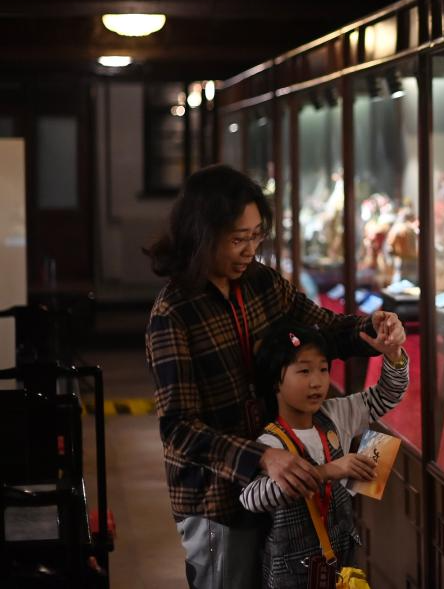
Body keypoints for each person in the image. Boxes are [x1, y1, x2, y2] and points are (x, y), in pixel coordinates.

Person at [145, 164, 406, 589]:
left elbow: (323, 328)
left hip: (283, 487)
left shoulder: (262, 283)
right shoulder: (173, 312)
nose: (249, 250)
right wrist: (262, 457)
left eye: (256, 236)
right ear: (202, 234)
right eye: (237, 239)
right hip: (217, 498)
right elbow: (179, 428)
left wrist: (372, 329)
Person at [240, 321, 408, 588]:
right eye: (304, 371)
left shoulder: (334, 414)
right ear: (275, 381)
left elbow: (387, 394)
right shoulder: (270, 443)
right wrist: (327, 471)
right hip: (291, 576)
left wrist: (393, 355)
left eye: (323, 369)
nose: (317, 382)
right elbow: (250, 498)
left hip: (342, 563)